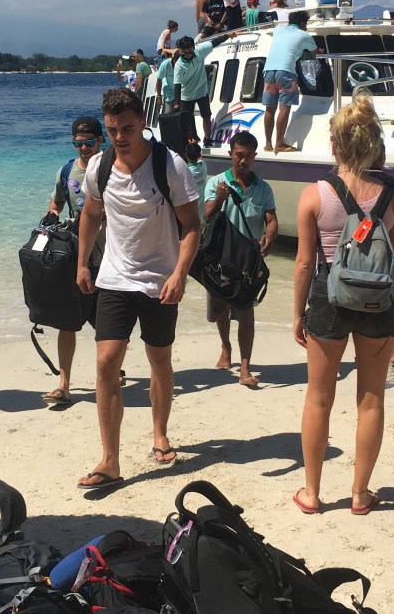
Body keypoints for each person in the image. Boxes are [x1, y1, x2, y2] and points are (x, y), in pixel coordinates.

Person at [75, 88, 201, 488]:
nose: (119, 137)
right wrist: (81, 262)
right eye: (112, 129)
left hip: (159, 281)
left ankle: (160, 433)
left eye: (127, 128)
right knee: (105, 363)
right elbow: (91, 215)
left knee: (159, 361)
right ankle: (109, 459)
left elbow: (192, 227)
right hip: (114, 278)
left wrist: (180, 273)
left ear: (143, 121)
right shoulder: (100, 166)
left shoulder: (170, 165)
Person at [292, 96, 394, 515]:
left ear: (335, 146)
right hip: (378, 301)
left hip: (328, 297)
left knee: (319, 398)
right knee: (371, 398)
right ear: (375, 144)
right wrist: (391, 313)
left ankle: (312, 492)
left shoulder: (315, 195)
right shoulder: (393, 194)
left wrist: (297, 313)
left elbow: (305, 263)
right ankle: (360, 494)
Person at [203, 132, 277, 388]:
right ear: (231, 154)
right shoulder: (216, 183)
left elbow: (270, 219)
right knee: (220, 311)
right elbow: (207, 215)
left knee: (246, 315)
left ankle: (245, 367)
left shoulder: (263, 188)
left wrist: (269, 235)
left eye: (248, 156)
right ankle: (226, 347)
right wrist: (221, 198)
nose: (243, 161)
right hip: (219, 259)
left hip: (247, 262)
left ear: (255, 157)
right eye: (239, 155)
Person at [43, 115, 107, 408]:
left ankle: (110, 371)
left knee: (108, 326)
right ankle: (64, 384)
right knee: (66, 322)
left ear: (100, 140)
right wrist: (51, 217)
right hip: (75, 257)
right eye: (78, 143)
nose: (83, 148)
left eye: (89, 142)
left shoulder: (113, 169)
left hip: (109, 258)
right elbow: (56, 202)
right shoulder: (67, 170)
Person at [261, 9, 319, 153]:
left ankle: (268, 144)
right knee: (284, 108)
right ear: (302, 23)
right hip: (286, 72)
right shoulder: (304, 35)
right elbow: (315, 52)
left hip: (268, 71)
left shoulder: (279, 30)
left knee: (270, 108)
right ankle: (279, 144)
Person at [173, 31, 238, 146]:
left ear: (193, 47)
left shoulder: (199, 51)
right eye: (185, 53)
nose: (188, 55)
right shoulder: (179, 65)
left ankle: (207, 139)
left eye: (190, 52)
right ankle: (193, 140)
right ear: (181, 51)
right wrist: (176, 103)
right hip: (186, 95)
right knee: (188, 120)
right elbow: (177, 85)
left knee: (206, 115)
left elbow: (214, 42)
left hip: (202, 91)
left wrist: (228, 35)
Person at [155, 50, 178, 115]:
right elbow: (159, 80)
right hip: (169, 93)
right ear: (173, 59)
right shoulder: (165, 64)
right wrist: (159, 96)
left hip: (182, 93)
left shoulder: (183, 64)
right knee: (168, 114)